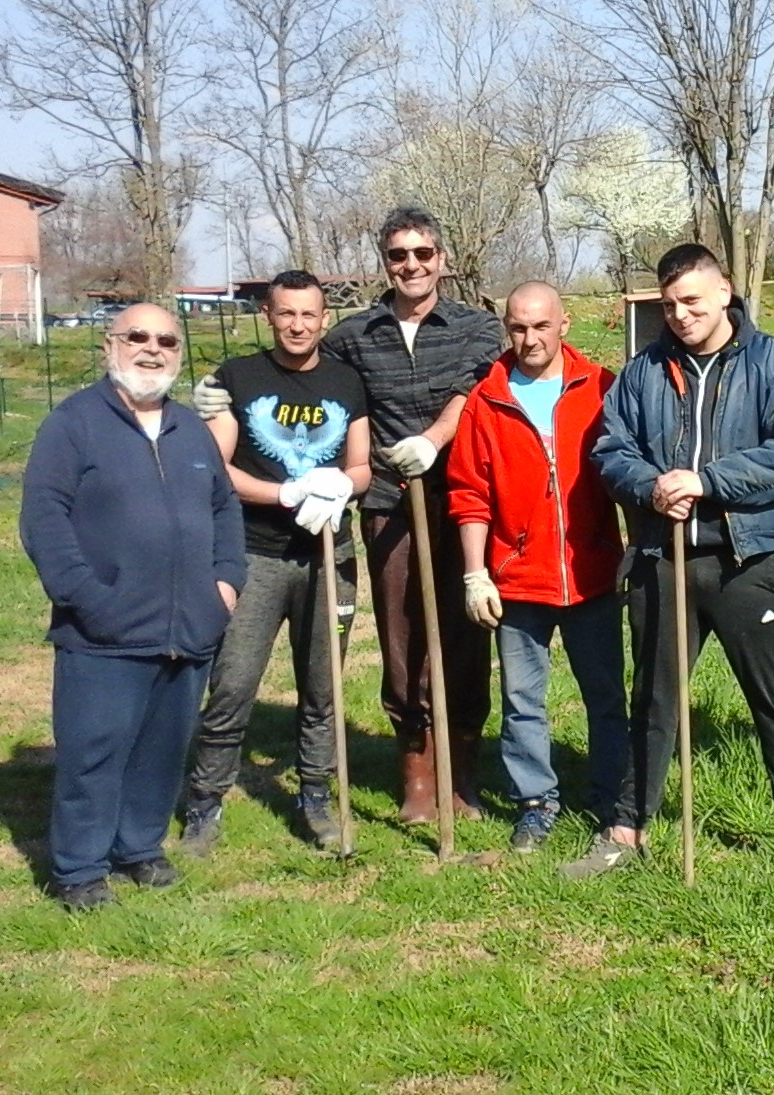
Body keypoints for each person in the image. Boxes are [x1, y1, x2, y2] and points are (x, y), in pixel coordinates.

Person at [196, 207, 501, 823]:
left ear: (441, 259)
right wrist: (217, 392)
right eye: (398, 255)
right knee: (401, 636)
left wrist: (434, 440)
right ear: (385, 263)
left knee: (466, 638)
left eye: (422, 253)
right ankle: (416, 772)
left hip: (463, 499)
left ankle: (461, 771)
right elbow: (300, 371)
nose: (411, 265)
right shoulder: (353, 336)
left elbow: (474, 392)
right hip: (388, 504)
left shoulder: (477, 328)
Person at [562, 242, 774, 878]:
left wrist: (708, 481)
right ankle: (626, 828)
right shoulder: (644, 372)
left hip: (748, 559)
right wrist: (651, 487)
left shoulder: (773, 365)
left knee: (772, 699)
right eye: (669, 305)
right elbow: (611, 449)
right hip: (664, 557)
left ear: (723, 292)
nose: (680, 315)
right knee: (653, 700)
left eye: (690, 301)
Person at [21, 304, 246, 911]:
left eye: (167, 341)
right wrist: (88, 597)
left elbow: (224, 507)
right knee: (93, 753)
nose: (152, 349)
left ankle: (139, 847)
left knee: (162, 750)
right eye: (138, 337)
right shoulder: (74, 424)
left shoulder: (189, 429)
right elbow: (44, 519)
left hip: (190, 626)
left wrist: (225, 584)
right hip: (103, 631)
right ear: (109, 345)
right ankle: (79, 868)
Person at [181, 271, 371, 856]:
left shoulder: (345, 381)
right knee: (233, 684)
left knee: (323, 687)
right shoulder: (240, 377)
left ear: (323, 319)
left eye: (309, 315)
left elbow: (361, 466)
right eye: (286, 314)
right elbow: (217, 469)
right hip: (254, 554)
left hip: (327, 555)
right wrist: (284, 494)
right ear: (268, 315)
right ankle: (205, 800)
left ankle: (315, 794)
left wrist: (341, 487)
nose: (298, 325)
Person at [446, 281, 627, 852]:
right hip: (518, 579)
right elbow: (469, 493)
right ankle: (535, 801)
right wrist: (475, 573)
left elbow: (628, 472)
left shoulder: (601, 387)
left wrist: (633, 549)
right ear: (507, 328)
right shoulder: (487, 400)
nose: (530, 339)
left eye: (541, 326)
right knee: (523, 701)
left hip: (591, 573)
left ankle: (611, 797)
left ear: (563, 325)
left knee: (606, 695)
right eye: (519, 327)